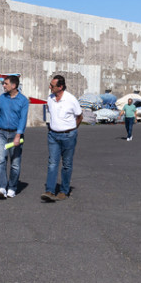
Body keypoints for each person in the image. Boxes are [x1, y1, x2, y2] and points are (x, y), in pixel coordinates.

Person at [42, 74, 82, 202]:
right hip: (53, 135)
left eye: (52, 86)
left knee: (66, 164)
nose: (50, 87)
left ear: (60, 87)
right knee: (52, 163)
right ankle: (49, 190)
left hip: (68, 136)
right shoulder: (50, 98)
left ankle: (64, 191)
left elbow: (79, 116)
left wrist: (71, 129)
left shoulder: (71, 99)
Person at [0, 74, 29, 199]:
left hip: (15, 135)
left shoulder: (23, 100)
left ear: (14, 85)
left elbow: (23, 119)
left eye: (5, 83)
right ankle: (2, 187)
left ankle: (12, 187)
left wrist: (18, 135)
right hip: (1, 133)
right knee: (0, 161)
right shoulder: (2, 98)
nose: (3, 85)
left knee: (15, 163)